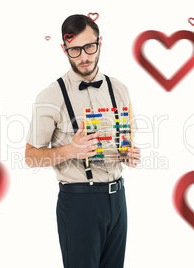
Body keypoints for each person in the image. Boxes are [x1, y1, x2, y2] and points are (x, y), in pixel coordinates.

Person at [24, 14, 141, 268]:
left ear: (100, 43)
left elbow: (127, 138)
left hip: (118, 198)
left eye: (89, 47)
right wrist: (69, 150)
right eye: (74, 50)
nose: (84, 57)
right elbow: (30, 155)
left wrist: (129, 152)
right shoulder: (50, 95)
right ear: (63, 49)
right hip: (79, 202)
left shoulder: (119, 89)